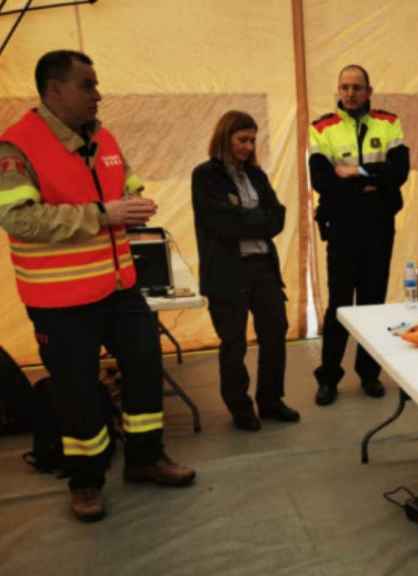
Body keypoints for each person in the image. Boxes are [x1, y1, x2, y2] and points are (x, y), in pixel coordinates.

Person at [0, 50, 195, 522]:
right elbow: (16, 219)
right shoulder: (15, 146)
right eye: (87, 84)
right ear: (54, 91)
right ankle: (86, 482)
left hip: (118, 288)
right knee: (77, 392)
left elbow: (127, 183)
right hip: (58, 300)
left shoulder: (103, 135)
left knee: (146, 367)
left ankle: (146, 459)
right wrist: (103, 215)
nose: (98, 93)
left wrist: (134, 202)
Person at [308, 64, 410, 406]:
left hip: (380, 225)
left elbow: (400, 172)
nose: (350, 93)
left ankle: (369, 374)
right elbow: (321, 180)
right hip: (343, 225)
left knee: (372, 302)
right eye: (344, 87)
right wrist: (368, 185)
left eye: (357, 87)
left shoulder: (389, 122)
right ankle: (328, 377)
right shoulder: (322, 128)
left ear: (369, 90)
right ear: (338, 91)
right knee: (339, 303)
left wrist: (357, 171)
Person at [191, 111, 298, 431]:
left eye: (252, 140)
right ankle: (240, 408)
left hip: (263, 267)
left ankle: (271, 401)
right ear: (225, 137)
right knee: (234, 342)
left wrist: (244, 217)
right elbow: (222, 225)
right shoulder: (205, 176)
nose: (249, 146)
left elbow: (277, 217)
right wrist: (255, 220)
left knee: (275, 331)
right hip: (227, 273)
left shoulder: (257, 176)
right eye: (242, 140)